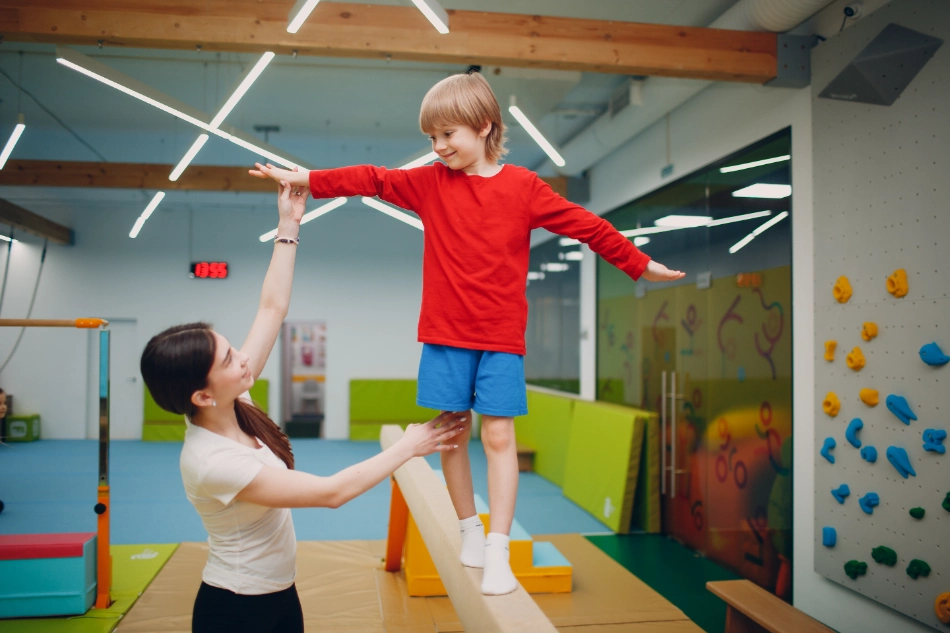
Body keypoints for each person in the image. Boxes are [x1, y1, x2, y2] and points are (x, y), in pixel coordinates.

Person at [249, 71, 685, 595]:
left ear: (484, 126)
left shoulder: (523, 188)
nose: (438, 147)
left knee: (499, 436)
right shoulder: (430, 184)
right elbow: (373, 179)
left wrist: (639, 263)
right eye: (431, 137)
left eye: (447, 134)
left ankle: (498, 547)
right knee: (451, 437)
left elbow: (586, 226)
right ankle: (469, 530)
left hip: (500, 339)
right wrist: (309, 178)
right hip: (445, 336)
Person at [140, 176, 466, 633]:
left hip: (278, 594)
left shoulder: (236, 401)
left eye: (232, 349)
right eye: (230, 359)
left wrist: (289, 226)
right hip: (238, 609)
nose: (243, 358)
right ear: (202, 395)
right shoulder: (212, 461)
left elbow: (271, 309)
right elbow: (331, 494)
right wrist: (408, 447)